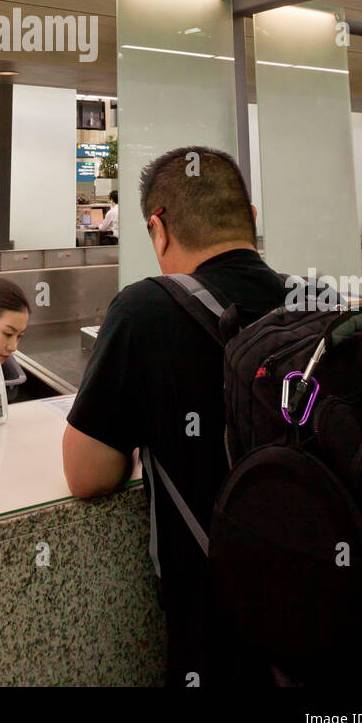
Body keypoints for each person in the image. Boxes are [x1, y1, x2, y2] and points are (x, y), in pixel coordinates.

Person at [62, 146, 288, 687]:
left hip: (223, 633)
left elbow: (88, 476)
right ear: (252, 222)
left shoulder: (147, 309)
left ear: (157, 229)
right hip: (337, 613)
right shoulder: (314, 300)